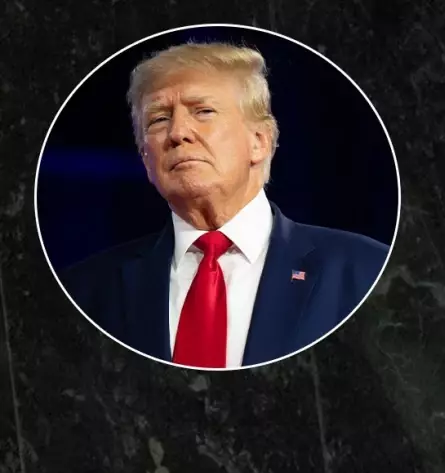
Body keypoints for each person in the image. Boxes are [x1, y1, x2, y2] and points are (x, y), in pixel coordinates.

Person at [59, 42, 388, 369]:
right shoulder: (85, 292)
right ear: (146, 159)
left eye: (203, 111)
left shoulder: (366, 272)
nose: (177, 133)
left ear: (258, 142)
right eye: (158, 119)